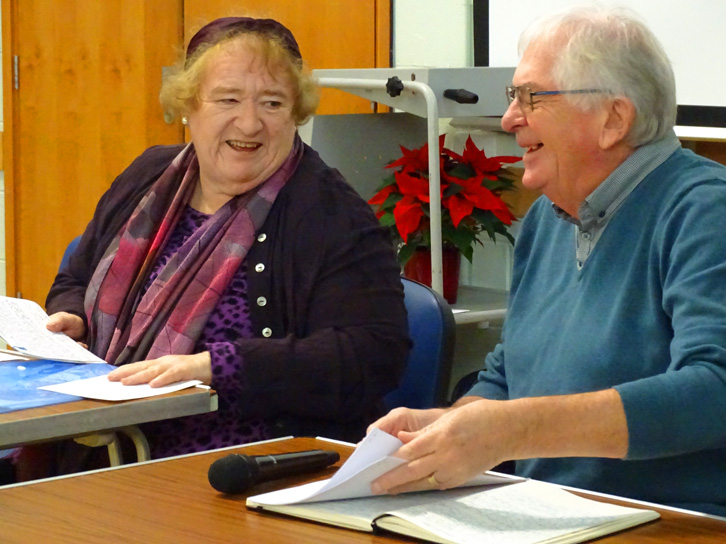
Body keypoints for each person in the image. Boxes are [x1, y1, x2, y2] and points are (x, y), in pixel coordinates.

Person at [368, 5, 726, 517]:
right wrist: (446, 429)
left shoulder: (706, 210)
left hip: (671, 522)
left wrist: (513, 430)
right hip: (546, 513)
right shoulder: (548, 217)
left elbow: (716, 391)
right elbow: (508, 376)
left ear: (613, 119)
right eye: (513, 96)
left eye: (531, 97)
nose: (510, 118)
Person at [32, 17, 408, 470]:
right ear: (188, 104)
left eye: (272, 103)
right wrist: (73, 315)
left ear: (296, 113)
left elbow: (373, 353)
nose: (249, 123)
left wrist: (218, 366)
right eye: (228, 99)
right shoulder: (148, 176)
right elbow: (77, 275)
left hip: (240, 466)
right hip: (103, 442)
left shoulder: (331, 212)